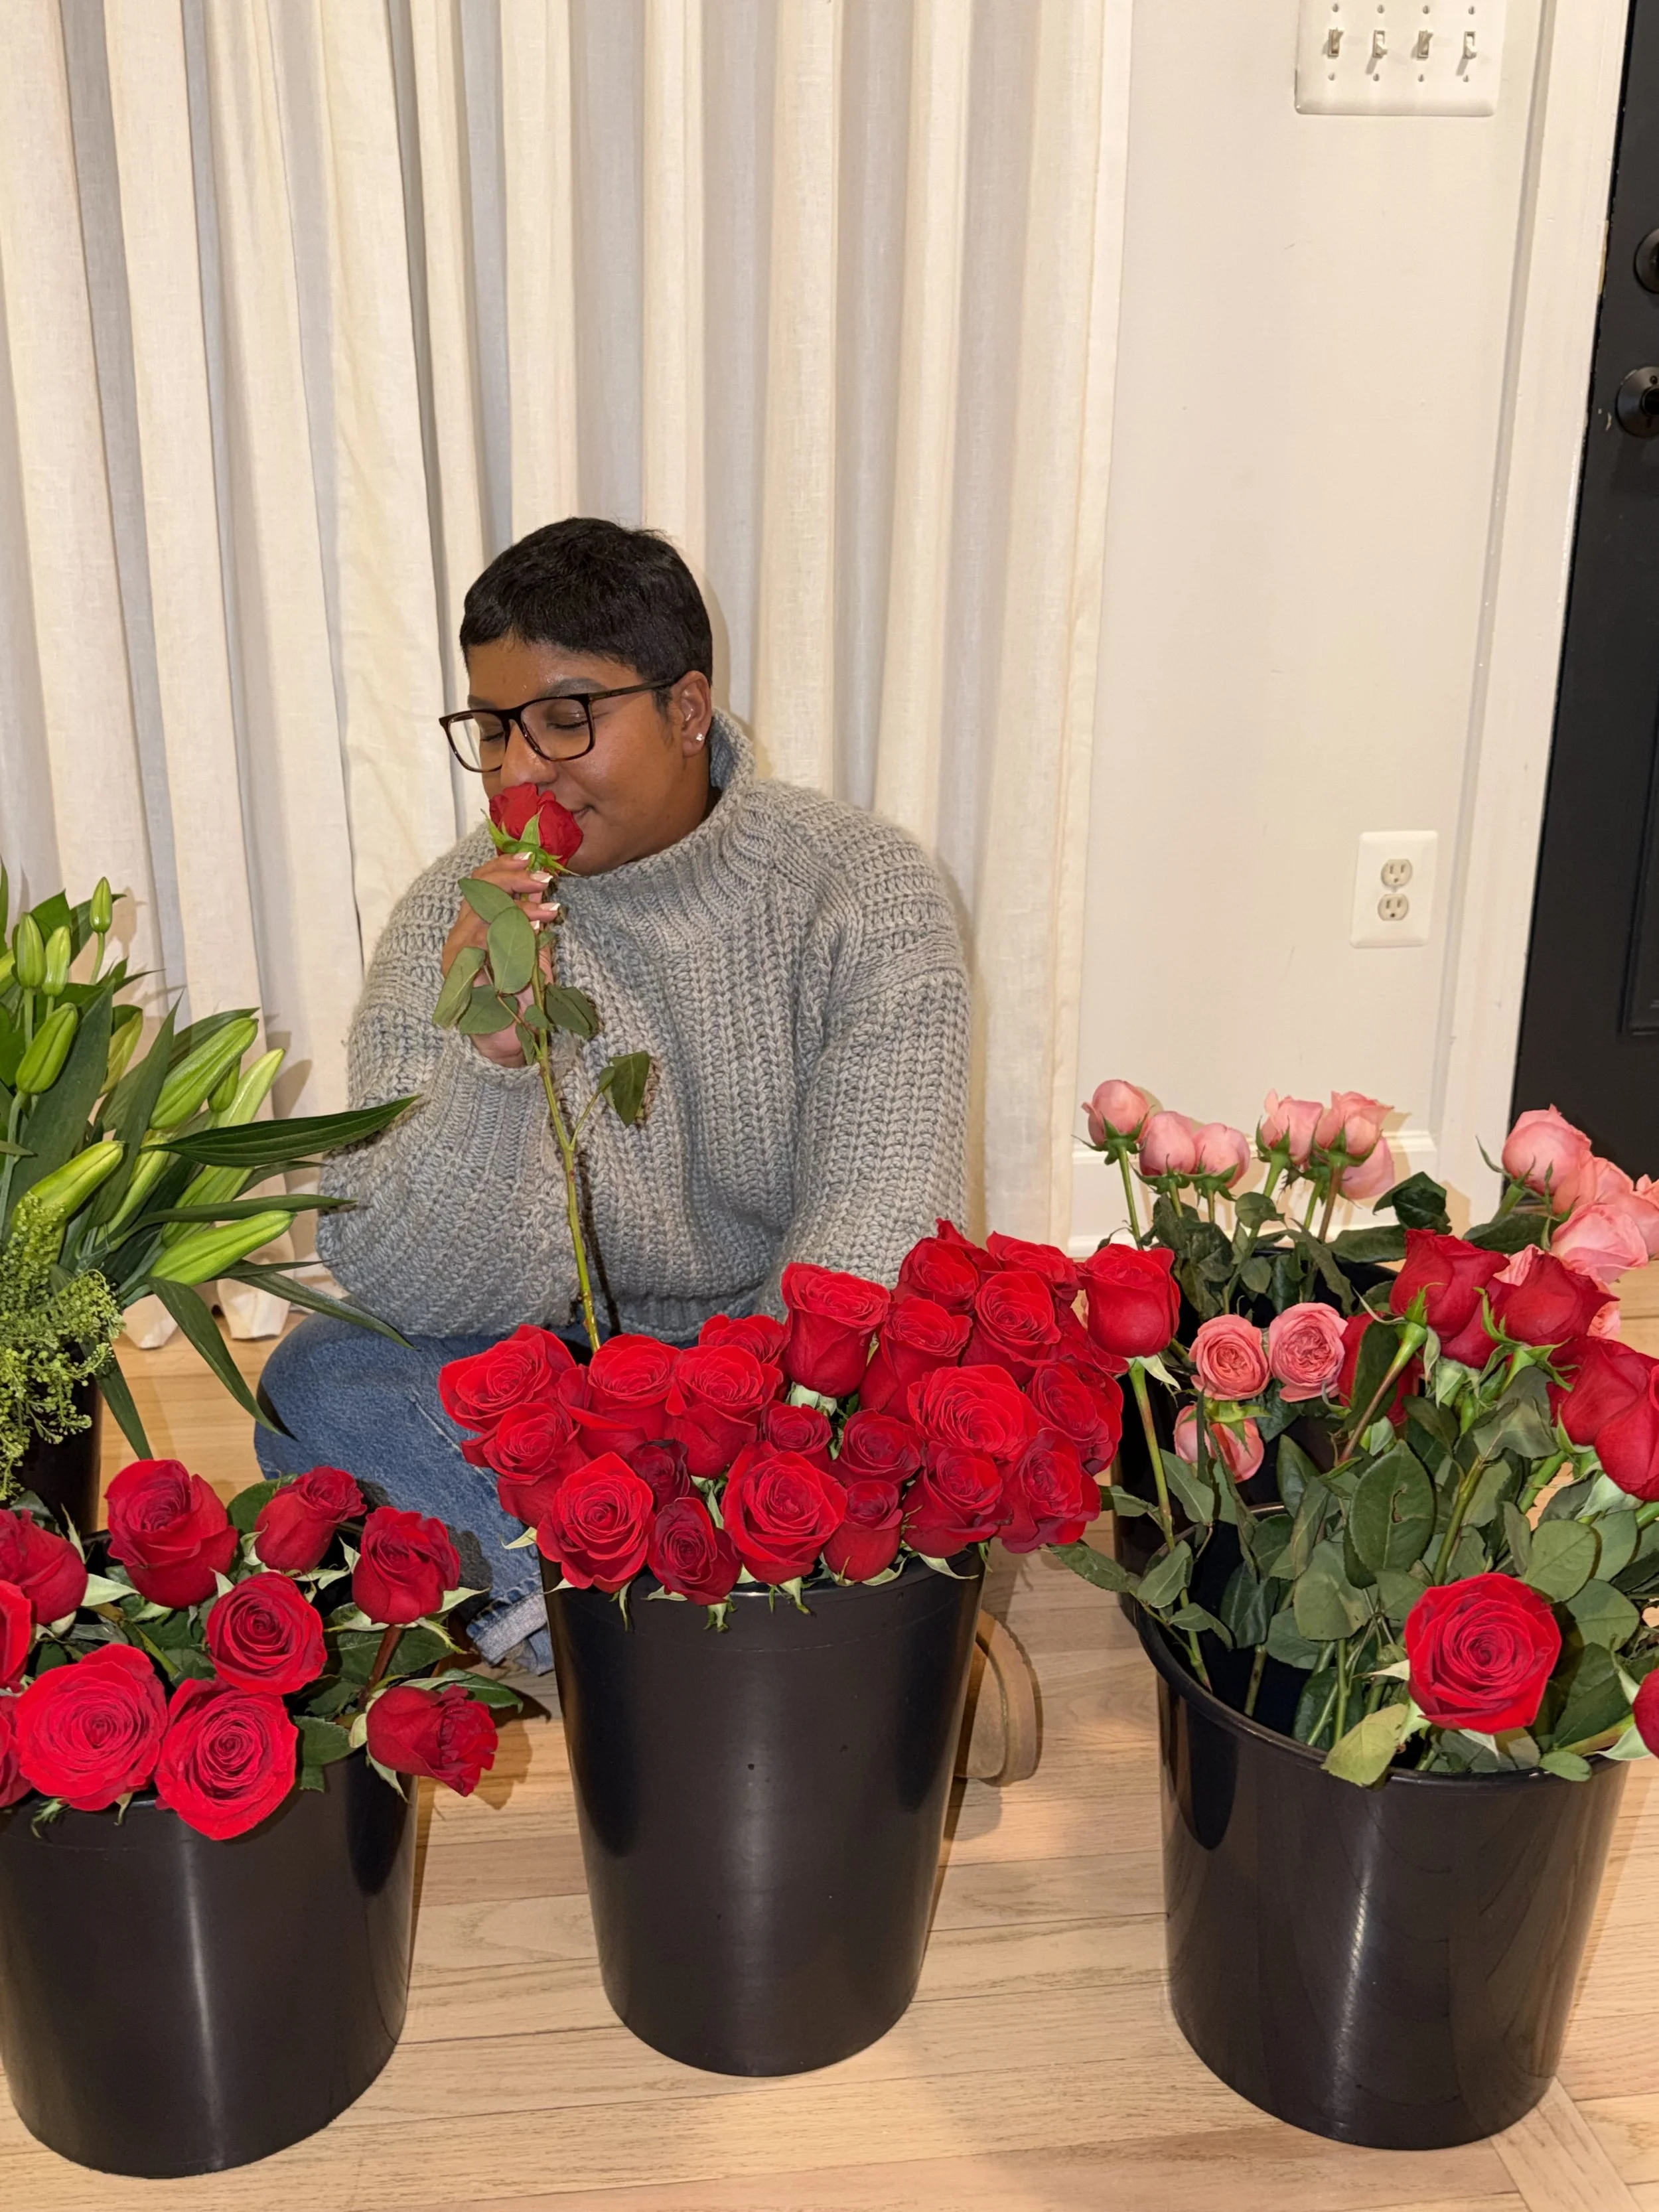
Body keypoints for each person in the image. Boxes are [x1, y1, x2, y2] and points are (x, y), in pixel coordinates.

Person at [256, 518, 970, 1668]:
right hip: (562, 1381)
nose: (519, 770)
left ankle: (592, 1616)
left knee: (922, 1388)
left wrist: (733, 1437)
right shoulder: (454, 912)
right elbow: (404, 1284)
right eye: (493, 728)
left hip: (771, 1380)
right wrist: (494, 1060)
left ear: (688, 711)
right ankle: (681, 1623)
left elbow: (871, 1240)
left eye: (565, 718)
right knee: (320, 1380)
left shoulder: (862, 890)